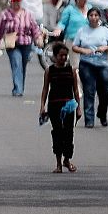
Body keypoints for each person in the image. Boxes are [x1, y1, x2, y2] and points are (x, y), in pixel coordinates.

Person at [39, 43, 82, 173]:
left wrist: (79, 108)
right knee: (57, 133)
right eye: (61, 56)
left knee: (69, 133)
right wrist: (42, 106)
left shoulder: (72, 71)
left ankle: (67, 160)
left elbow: (75, 90)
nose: (63, 58)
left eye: (65, 55)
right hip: (54, 105)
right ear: (55, 56)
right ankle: (58, 163)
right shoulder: (49, 71)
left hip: (69, 106)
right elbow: (45, 89)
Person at [72, 7, 108, 128]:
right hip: (87, 63)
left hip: (102, 64)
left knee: (104, 92)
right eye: (91, 15)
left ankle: (102, 113)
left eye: (96, 15)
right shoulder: (82, 31)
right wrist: (83, 50)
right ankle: (89, 119)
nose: (94, 18)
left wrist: (104, 48)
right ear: (88, 17)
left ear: (99, 17)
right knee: (89, 91)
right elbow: (74, 46)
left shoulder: (104, 31)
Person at [0, 0, 43, 96]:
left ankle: (20, 86)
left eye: (18, 1)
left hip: (26, 43)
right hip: (12, 43)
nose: (16, 3)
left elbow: (34, 28)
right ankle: (18, 89)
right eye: (14, 1)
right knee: (16, 63)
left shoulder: (27, 14)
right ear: (11, 2)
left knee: (23, 66)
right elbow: (0, 30)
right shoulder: (5, 14)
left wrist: (38, 38)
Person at [54, 0, 90, 68]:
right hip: (73, 40)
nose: (84, 0)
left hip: (88, 41)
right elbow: (62, 22)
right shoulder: (70, 9)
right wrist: (59, 29)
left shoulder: (90, 8)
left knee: (88, 66)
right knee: (76, 66)